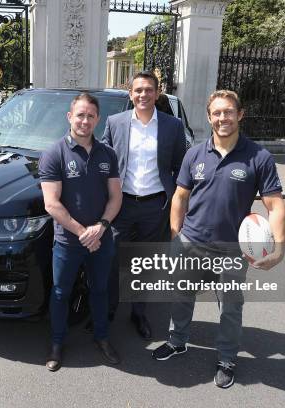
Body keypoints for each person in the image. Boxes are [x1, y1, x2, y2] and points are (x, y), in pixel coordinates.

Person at [157, 90, 285, 388]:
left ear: (240, 114)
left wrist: (278, 247)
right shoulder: (194, 154)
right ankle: (177, 341)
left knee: (230, 305)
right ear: (209, 117)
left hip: (232, 248)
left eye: (228, 112)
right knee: (181, 295)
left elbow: (275, 205)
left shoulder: (259, 157)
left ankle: (226, 357)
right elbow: (180, 196)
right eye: (216, 113)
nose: (222, 118)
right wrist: (175, 234)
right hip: (192, 241)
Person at [39, 93, 123, 372]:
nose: (85, 121)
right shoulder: (54, 154)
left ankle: (102, 337)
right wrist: (82, 232)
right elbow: (52, 203)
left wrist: (101, 227)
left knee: (99, 290)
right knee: (61, 292)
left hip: (102, 238)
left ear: (97, 120)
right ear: (70, 117)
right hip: (67, 241)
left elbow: (115, 197)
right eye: (80, 115)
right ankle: (56, 343)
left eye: (90, 116)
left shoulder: (108, 154)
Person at [102, 71, 187, 340]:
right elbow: (103, 162)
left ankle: (139, 312)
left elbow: (180, 168)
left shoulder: (172, 126)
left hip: (155, 207)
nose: (143, 95)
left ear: (157, 93)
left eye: (149, 90)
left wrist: (177, 206)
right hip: (121, 205)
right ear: (130, 94)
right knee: (114, 259)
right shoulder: (115, 123)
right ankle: (108, 309)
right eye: (138, 90)